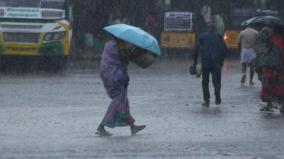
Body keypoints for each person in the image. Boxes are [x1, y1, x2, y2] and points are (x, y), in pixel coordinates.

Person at [96, 37, 146, 136]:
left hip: (109, 74)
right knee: (118, 100)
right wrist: (137, 52)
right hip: (114, 75)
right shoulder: (116, 46)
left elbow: (122, 58)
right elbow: (124, 57)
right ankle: (101, 126)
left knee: (123, 100)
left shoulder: (109, 44)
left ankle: (132, 126)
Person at [192, 23, 227, 107]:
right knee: (217, 81)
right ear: (215, 29)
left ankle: (207, 100)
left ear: (208, 29)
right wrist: (221, 61)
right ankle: (217, 97)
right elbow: (224, 49)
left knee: (205, 82)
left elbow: (195, 50)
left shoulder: (202, 37)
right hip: (216, 63)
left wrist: (195, 62)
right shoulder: (219, 37)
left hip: (206, 62)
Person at [256, 27, 284, 113]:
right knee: (279, 87)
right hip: (279, 67)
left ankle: (270, 104)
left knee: (268, 87)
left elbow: (262, 53)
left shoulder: (270, 40)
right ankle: (281, 105)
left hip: (270, 68)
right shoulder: (280, 39)